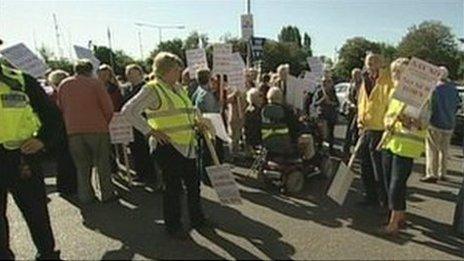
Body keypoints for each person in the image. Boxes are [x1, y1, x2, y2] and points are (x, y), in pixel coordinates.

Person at [122, 52, 211, 239]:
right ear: (167, 70)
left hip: (187, 145)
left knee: (194, 186)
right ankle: (174, 226)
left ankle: (197, 219)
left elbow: (187, 113)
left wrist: (197, 122)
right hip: (167, 147)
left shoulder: (178, 88)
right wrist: (149, 131)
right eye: (177, 69)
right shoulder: (153, 89)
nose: (180, 72)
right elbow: (129, 111)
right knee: (173, 189)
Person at [0, 62, 61, 259]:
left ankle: (47, 254)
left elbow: (53, 116)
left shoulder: (21, 80)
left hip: (21, 158)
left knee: (36, 213)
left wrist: (42, 140)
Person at [58, 59, 116, 204]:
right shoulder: (95, 84)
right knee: (102, 163)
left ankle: (85, 196)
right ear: (90, 70)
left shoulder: (64, 84)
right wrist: (104, 123)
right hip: (97, 128)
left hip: (73, 130)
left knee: (81, 166)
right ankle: (107, 194)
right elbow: (108, 107)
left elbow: (61, 106)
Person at [380, 57, 428, 235]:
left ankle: (393, 223)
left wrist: (407, 120)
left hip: (407, 146)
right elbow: (387, 116)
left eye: (401, 73)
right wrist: (388, 122)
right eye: (395, 72)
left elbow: (423, 124)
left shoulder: (420, 96)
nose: (397, 76)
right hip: (390, 144)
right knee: (388, 183)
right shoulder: (394, 94)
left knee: (396, 186)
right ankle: (400, 214)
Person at [357, 53, 393, 207]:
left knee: (380, 169)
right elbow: (361, 102)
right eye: (369, 61)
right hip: (366, 128)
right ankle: (370, 196)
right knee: (365, 165)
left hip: (380, 129)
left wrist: (387, 127)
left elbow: (390, 104)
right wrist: (359, 121)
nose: (371, 64)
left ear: (381, 63)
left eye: (375, 61)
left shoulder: (387, 80)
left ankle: (384, 202)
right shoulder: (365, 80)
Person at [421, 67, 460, 183]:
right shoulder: (453, 89)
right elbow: (457, 105)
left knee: (432, 148)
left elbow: (430, 106)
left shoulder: (434, 89)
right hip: (449, 123)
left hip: (435, 122)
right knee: (444, 149)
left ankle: (431, 173)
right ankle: (442, 172)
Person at [122, 64, 158, 185]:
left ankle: (152, 176)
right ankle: (141, 174)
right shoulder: (128, 89)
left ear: (139, 73)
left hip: (145, 124)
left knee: (147, 151)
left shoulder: (146, 88)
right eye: (128, 74)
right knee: (136, 150)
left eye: (132, 73)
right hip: (132, 125)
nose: (129, 76)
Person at [47, 69, 78, 196]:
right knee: (70, 160)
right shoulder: (69, 95)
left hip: (55, 131)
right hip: (67, 128)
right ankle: (71, 187)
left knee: (61, 160)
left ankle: (63, 187)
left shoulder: (50, 96)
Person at [314, 76, 339, 151]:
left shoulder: (333, 92)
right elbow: (315, 103)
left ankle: (331, 149)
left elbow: (337, 103)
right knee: (321, 133)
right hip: (322, 114)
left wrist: (330, 103)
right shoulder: (319, 92)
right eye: (324, 82)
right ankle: (320, 148)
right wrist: (322, 100)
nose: (326, 83)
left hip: (331, 114)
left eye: (328, 82)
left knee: (331, 132)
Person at [343, 68, 362, 154]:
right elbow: (347, 97)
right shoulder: (351, 85)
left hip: (360, 111)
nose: (356, 77)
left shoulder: (364, 85)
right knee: (349, 131)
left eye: (357, 75)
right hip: (351, 111)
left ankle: (358, 151)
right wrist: (351, 104)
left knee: (358, 131)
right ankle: (346, 150)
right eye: (354, 75)